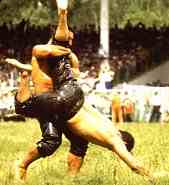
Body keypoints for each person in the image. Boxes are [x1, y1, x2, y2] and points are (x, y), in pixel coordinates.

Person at [5, 1, 156, 182]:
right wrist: (154, 176)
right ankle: (63, 13)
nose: (72, 38)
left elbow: (61, 70)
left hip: (69, 99)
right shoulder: (113, 139)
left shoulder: (106, 122)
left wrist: (23, 67)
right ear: (123, 142)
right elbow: (133, 164)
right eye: (70, 36)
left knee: (63, 142)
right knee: (25, 107)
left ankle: (71, 178)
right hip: (64, 101)